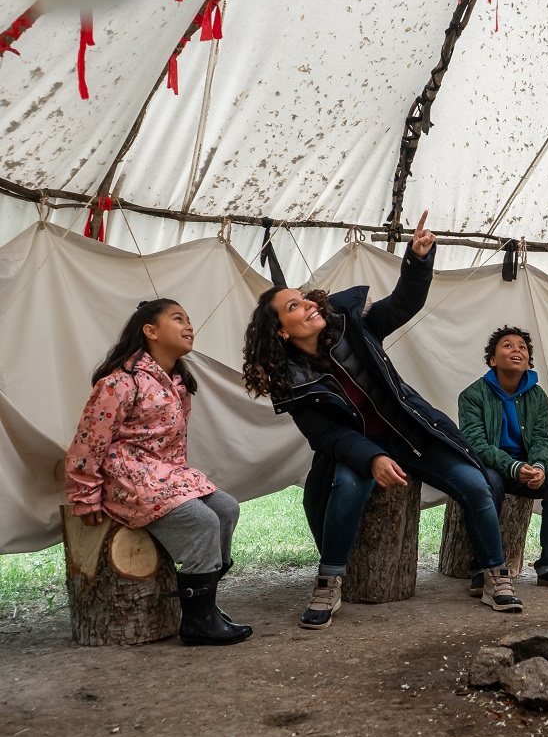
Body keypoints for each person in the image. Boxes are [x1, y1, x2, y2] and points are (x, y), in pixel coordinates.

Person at [242, 212, 523, 629]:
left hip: (413, 433)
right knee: (348, 483)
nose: (308, 304)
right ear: (281, 330)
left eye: (304, 298)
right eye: (294, 306)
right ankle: (329, 582)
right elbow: (327, 435)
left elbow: (403, 304)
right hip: (359, 449)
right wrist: (371, 457)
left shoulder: (353, 325)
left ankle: (494, 576)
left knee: (475, 485)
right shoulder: (290, 382)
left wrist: (417, 259)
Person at [65, 298, 252, 646]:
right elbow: (87, 444)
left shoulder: (178, 383)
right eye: (178, 318)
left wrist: (181, 485)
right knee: (201, 521)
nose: (189, 326)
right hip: (126, 478)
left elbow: (173, 447)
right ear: (150, 331)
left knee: (226, 508)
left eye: (190, 319)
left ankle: (202, 604)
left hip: (165, 474)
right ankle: (198, 623)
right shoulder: (120, 383)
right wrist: (85, 498)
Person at [458, 326, 548, 595]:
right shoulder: (472, 395)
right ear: (493, 359)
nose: (516, 349)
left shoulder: (537, 396)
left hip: (525, 468)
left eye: (522, 347)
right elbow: (475, 444)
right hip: (491, 468)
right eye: (507, 345)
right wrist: (512, 467)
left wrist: (538, 466)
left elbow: (543, 438)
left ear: (527, 360)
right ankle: (483, 568)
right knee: (489, 483)